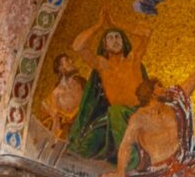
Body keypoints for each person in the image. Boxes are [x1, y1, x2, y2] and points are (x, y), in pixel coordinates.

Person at [65, 26, 153, 165]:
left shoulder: (133, 59)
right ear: (104, 45)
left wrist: (116, 23)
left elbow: (146, 32)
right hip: (112, 118)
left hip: (138, 112)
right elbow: (78, 46)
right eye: (110, 38)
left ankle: (132, 161)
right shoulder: (102, 65)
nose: (115, 41)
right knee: (86, 147)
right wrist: (99, 25)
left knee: (116, 111)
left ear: (124, 42)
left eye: (118, 37)